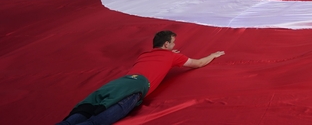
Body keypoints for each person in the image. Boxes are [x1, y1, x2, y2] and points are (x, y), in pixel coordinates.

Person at [57, 30, 225, 125]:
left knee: (83, 111)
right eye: (173, 43)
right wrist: (213, 54)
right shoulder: (173, 57)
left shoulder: (145, 54)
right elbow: (198, 63)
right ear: (167, 45)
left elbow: (158, 58)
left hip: (116, 84)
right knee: (96, 122)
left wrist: (168, 54)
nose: (175, 46)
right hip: (135, 86)